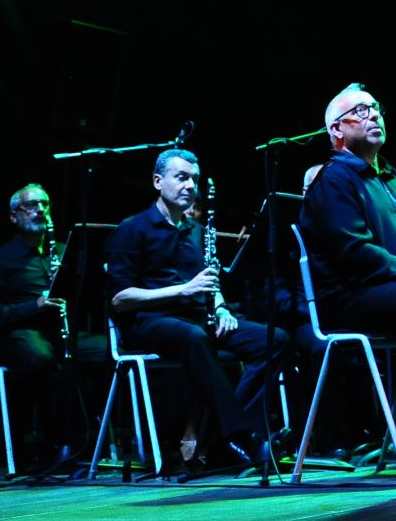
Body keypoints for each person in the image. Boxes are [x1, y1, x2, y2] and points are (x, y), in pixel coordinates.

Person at [105, 148, 294, 469]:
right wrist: (184, 290)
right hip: (148, 322)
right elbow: (119, 298)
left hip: (195, 319)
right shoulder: (132, 228)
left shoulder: (195, 230)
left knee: (274, 339)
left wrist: (221, 308)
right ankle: (245, 438)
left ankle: (228, 436)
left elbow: (210, 284)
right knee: (194, 337)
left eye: (195, 179)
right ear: (157, 181)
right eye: (181, 177)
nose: (191, 186)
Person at [298, 83, 396, 438]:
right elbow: (356, 255)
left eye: (375, 108)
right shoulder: (333, 180)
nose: (373, 114)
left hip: (395, 287)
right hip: (351, 296)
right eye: (360, 111)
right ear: (336, 129)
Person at [0, 183, 77, 462]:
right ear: (14, 216)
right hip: (16, 335)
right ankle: (26, 444)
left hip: (56, 333)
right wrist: (35, 306)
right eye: (31, 205)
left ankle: (81, 442)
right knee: (39, 357)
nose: (40, 210)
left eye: (45, 204)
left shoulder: (62, 253)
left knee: (105, 353)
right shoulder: (0, 260)